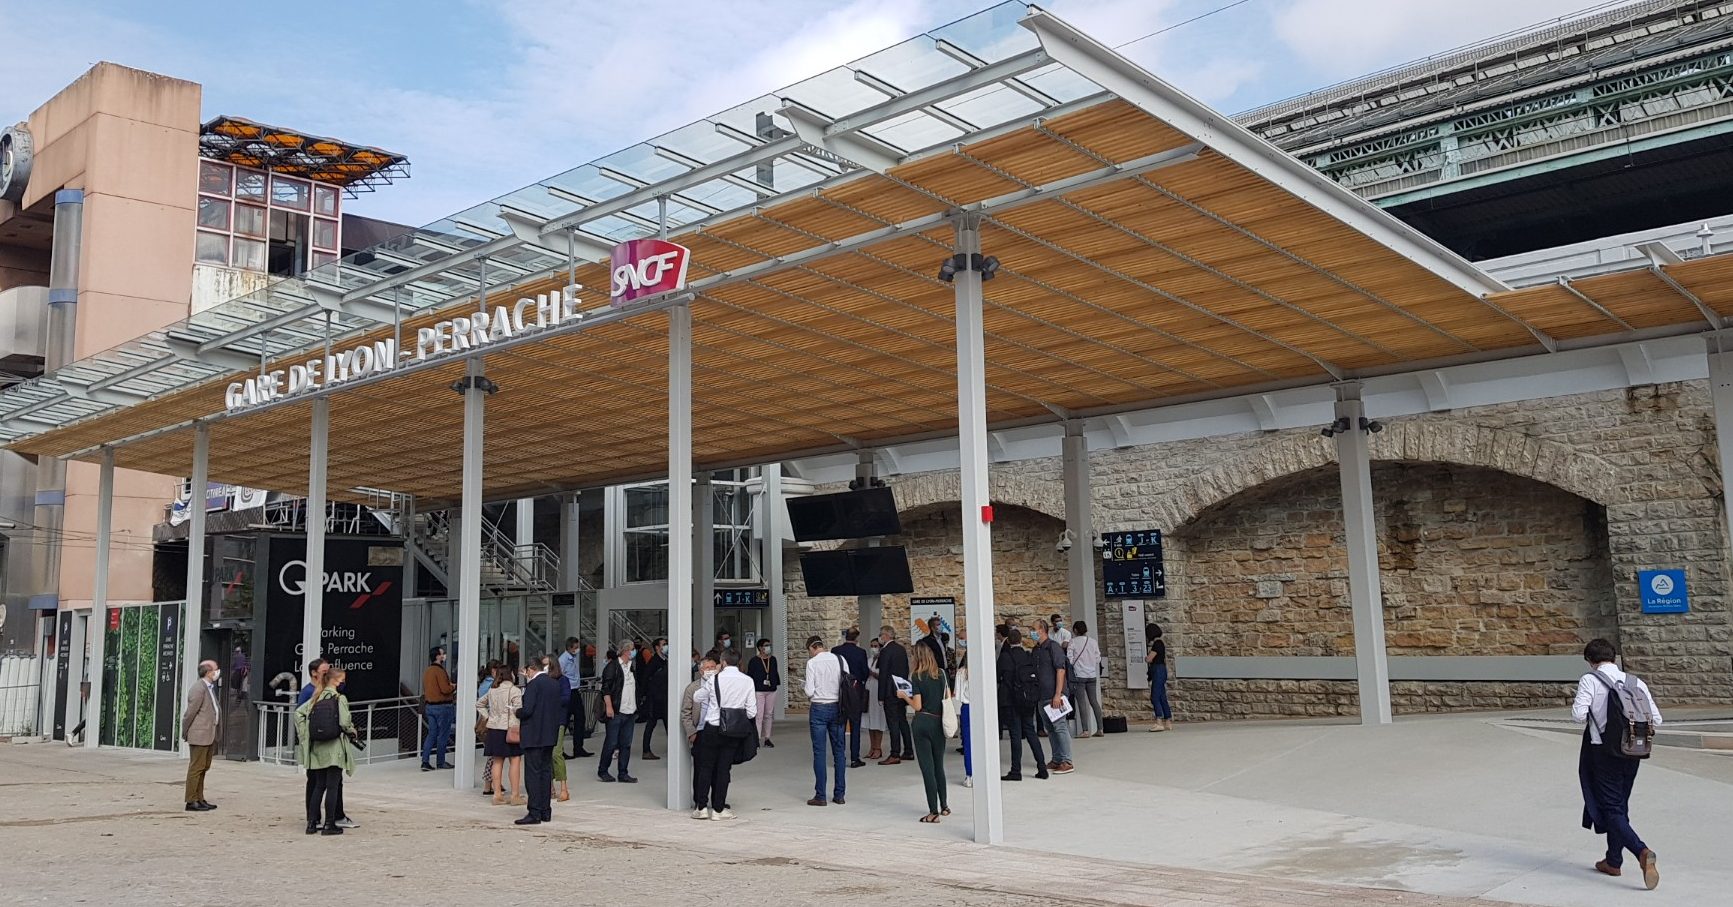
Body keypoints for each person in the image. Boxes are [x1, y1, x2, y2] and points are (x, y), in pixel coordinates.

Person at [1574, 638, 1664, 889]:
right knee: (1620, 804)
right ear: (1614, 658)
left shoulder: (1590, 680)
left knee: (1610, 808)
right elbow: (1657, 718)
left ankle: (1641, 851)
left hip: (1603, 752)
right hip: (1633, 750)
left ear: (1590, 661)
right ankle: (1613, 861)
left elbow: (1578, 715)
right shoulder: (1635, 682)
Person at [690, 648, 756, 820]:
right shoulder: (747, 681)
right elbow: (751, 711)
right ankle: (718, 809)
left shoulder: (715, 679)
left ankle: (702, 807)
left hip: (712, 727)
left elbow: (697, 697)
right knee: (724, 769)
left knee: (706, 767)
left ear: (723, 662)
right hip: (733, 730)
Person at [294, 666, 356, 835]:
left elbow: (298, 714)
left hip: (317, 747)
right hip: (334, 747)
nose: (343, 682)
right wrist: (353, 732)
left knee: (319, 786)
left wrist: (305, 734)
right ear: (336, 680)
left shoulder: (316, 697)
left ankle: (312, 823)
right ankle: (330, 824)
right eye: (342, 679)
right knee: (333, 786)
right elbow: (344, 722)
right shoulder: (339, 698)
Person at [899, 644, 950, 823]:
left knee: (927, 769)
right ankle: (944, 805)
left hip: (922, 722)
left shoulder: (916, 676)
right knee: (939, 766)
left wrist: (904, 696)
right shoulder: (942, 674)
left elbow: (917, 706)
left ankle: (932, 811)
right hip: (938, 721)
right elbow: (948, 697)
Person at [513, 655, 562, 826]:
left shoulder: (533, 685)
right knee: (545, 772)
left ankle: (534, 812)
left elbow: (527, 710)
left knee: (533, 774)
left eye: (526, 671)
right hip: (549, 734)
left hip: (534, 734)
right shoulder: (554, 684)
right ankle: (545, 810)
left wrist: (516, 712)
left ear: (531, 669)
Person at [802, 636, 849, 806]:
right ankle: (840, 794)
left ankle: (820, 795)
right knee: (839, 752)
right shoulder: (840, 659)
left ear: (812, 648)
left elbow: (809, 691)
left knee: (819, 752)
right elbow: (847, 682)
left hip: (819, 707)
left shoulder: (812, 663)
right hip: (838, 707)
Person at [997, 627, 1047, 780]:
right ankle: (1042, 767)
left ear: (1008, 641)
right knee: (1031, 732)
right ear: (1020, 640)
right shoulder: (1027, 656)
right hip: (1027, 699)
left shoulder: (1005, 657)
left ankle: (1016, 771)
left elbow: (998, 676)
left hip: (1011, 701)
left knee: (1015, 735)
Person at [478, 666, 525, 806]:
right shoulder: (514, 690)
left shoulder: (492, 690)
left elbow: (479, 703)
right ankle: (515, 795)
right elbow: (518, 709)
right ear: (510, 675)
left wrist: (488, 716)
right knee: (515, 760)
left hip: (494, 728)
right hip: (510, 728)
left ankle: (497, 794)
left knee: (497, 761)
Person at [1031, 620, 1074, 774]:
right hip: (1041, 696)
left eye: (1033, 629)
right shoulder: (1036, 650)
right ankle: (1057, 758)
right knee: (1050, 728)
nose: (1032, 632)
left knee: (1060, 726)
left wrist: (1058, 694)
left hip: (1053, 695)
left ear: (1042, 630)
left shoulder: (1053, 647)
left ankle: (1066, 760)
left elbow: (1060, 670)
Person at [180, 659, 221, 812]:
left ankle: (199, 798)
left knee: (204, 767)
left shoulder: (209, 687)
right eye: (216, 669)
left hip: (209, 734)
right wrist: (185, 731)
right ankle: (191, 800)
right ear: (209, 672)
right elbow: (190, 713)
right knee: (196, 768)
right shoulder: (198, 688)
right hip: (200, 735)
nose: (218, 672)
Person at [597, 640, 639, 783]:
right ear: (626, 650)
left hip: (630, 711)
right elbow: (606, 688)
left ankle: (623, 772)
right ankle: (603, 770)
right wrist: (609, 706)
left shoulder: (631, 667)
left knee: (626, 744)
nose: (633, 651)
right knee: (611, 742)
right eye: (632, 649)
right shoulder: (612, 667)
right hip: (617, 711)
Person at [832, 628, 870, 768]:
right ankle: (855, 758)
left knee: (840, 725)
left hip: (840, 690)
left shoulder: (835, 650)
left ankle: (839, 757)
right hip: (855, 690)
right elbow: (864, 673)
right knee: (855, 725)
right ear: (856, 638)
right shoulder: (861, 652)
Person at [876, 626, 913, 764]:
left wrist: (881, 696)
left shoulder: (886, 651)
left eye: (881, 635)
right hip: (901, 690)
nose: (880, 638)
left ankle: (895, 753)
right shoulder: (901, 649)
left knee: (893, 723)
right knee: (902, 720)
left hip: (890, 692)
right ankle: (908, 750)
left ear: (885, 636)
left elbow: (883, 674)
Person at [420, 647, 457, 771]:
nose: (444, 656)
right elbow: (445, 689)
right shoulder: (440, 671)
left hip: (430, 706)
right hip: (443, 706)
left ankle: (425, 761)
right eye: (442, 654)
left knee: (431, 734)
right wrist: (453, 687)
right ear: (437, 656)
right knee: (443, 735)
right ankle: (440, 762)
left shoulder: (427, 671)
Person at [1067, 621, 1104, 738]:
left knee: (1082, 703)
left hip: (1079, 676)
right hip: (1092, 675)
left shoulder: (1072, 642)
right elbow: (1098, 658)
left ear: (1075, 630)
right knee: (1094, 701)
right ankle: (1100, 729)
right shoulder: (1093, 641)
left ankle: (1085, 730)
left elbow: (1070, 659)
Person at [559, 637, 594, 758]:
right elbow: (560, 675)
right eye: (575, 648)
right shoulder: (563, 660)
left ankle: (578, 747)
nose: (577, 650)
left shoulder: (574, 657)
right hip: (568, 691)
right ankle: (559, 749)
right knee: (564, 721)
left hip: (575, 690)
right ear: (569, 648)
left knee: (580, 719)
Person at [637, 637, 669, 760]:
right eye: (664, 644)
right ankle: (646, 750)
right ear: (657, 648)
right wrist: (644, 696)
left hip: (664, 698)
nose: (666, 646)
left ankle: (674, 747)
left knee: (668, 723)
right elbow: (646, 679)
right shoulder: (654, 662)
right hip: (655, 699)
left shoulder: (665, 660)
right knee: (651, 723)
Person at [746, 638, 782, 748]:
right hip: (759, 690)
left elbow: (775, 673)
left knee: (769, 714)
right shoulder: (754, 661)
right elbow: (750, 675)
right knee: (759, 715)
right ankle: (756, 738)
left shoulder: (773, 659)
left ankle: (767, 737)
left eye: (769, 645)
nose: (768, 647)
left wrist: (775, 683)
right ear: (760, 648)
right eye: (766, 645)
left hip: (771, 689)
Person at [545, 656, 571, 802]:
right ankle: (550, 787)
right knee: (546, 753)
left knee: (556, 753)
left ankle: (563, 788)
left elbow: (566, 699)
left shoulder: (562, 680)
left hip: (558, 720)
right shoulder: (541, 681)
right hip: (545, 721)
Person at [863, 637, 887, 760]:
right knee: (870, 720)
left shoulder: (883, 660)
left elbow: (884, 676)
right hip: (869, 689)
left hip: (878, 689)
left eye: (875, 646)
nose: (873, 648)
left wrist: (873, 674)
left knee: (878, 719)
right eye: (872, 645)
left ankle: (878, 747)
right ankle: (872, 747)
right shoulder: (869, 660)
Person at [955, 629, 973, 788]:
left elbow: (959, 696)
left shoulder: (961, 673)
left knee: (968, 743)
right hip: (981, 709)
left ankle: (970, 774)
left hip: (967, 707)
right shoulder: (983, 671)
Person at [1146, 623, 1172, 731]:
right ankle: (1168, 721)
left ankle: (1159, 720)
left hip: (1157, 670)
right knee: (1162, 696)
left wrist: (1146, 658)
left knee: (1155, 696)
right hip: (1162, 669)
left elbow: (1149, 659)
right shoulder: (1161, 643)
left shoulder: (1156, 644)